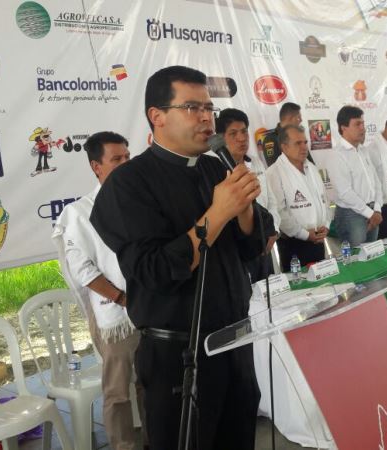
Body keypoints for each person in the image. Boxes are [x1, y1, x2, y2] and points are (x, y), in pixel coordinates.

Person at [90, 66, 267, 450]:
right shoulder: (127, 184)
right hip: (179, 357)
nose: (206, 118)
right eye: (192, 108)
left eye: (208, 108)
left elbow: (254, 246)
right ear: (157, 116)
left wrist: (244, 209)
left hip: (235, 342)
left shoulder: (215, 166)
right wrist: (218, 212)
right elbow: (154, 271)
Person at [52, 131, 142, 450]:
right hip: (117, 315)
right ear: (96, 166)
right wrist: (122, 298)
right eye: (116, 159)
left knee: (152, 384)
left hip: (151, 309)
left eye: (127, 157)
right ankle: (122, 446)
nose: (125, 164)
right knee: (117, 392)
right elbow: (84, 271)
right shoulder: (79, 213)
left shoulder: (142, 201)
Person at [216, 108, 280, 282]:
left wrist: (273, 231)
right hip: (239, 251)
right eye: (233, 133)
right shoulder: (216, 170)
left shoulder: (256, 163)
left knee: (271, 290)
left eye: (244, 131)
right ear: (221, 138)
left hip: (265, 245)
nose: (242, 138)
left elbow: (272, 202)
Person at [267, 125, 331, 270]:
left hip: (318, 239)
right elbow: (279, 212)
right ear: (284, 147)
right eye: (298, 143)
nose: (303, 147)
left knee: (323, 280)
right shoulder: (273, 173)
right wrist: (305, 235)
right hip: (293, 244)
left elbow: (325, 200)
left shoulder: (312, 168)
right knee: (299, 283)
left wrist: (326, 225)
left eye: (305, 142)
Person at [325, 105, 383, 246]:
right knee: (355, 256)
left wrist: (377, 209)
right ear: (343, 127)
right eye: (357, 124)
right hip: (351, 215)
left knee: (372, 254)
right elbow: (345, 192)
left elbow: (376, 182)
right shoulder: (336, 155)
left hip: (372, 212)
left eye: (363, 123)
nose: (363, 128)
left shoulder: (363, 151)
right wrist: (370, 213)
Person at [261, 102, 311, 166]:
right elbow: (275, 167)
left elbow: (310, 163)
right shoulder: (270, 139)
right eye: (298, 117)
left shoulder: (300, 137)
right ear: (290, 118)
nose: (301, 120)